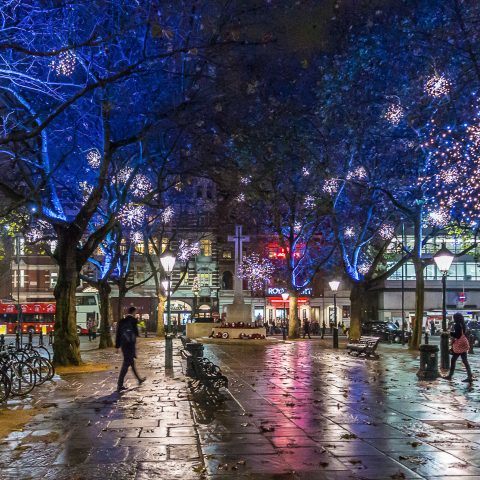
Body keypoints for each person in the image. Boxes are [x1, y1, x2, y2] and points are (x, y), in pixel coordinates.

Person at [115, 306, 146, 393]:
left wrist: (117, 346)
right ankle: (119, 384)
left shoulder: (122, 321)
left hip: (124, 345)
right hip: (130, 344)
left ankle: (139, 379)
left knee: (131, 362)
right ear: (134, 312)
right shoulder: (133, 320)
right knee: (126, 363)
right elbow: (136, 333)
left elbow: (118, 334)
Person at [444, 312, 473, 383]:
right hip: (463, 345)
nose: (453, 319)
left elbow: (457, 335)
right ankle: (470, 377)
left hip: (459, 346)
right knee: (465, 361)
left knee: (453, 360)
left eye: (454, 318)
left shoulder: (457, 325)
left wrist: (450, 333)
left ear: (456, 318)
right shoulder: (463, 324)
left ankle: (450, 376)